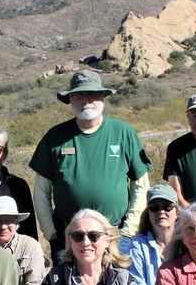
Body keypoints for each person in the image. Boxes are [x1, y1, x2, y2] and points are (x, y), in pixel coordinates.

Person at [29, 70, 151, 258]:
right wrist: (51, 232)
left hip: (115, 234)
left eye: (93, 94)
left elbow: (140, 185)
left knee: (117, 284)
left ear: (103, 97)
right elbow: (41, 190)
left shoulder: (123, 133)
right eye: (79, 95)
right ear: (70, 99)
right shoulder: (55, 137)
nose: (86, 100)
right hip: (68, 236)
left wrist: (129, 229)